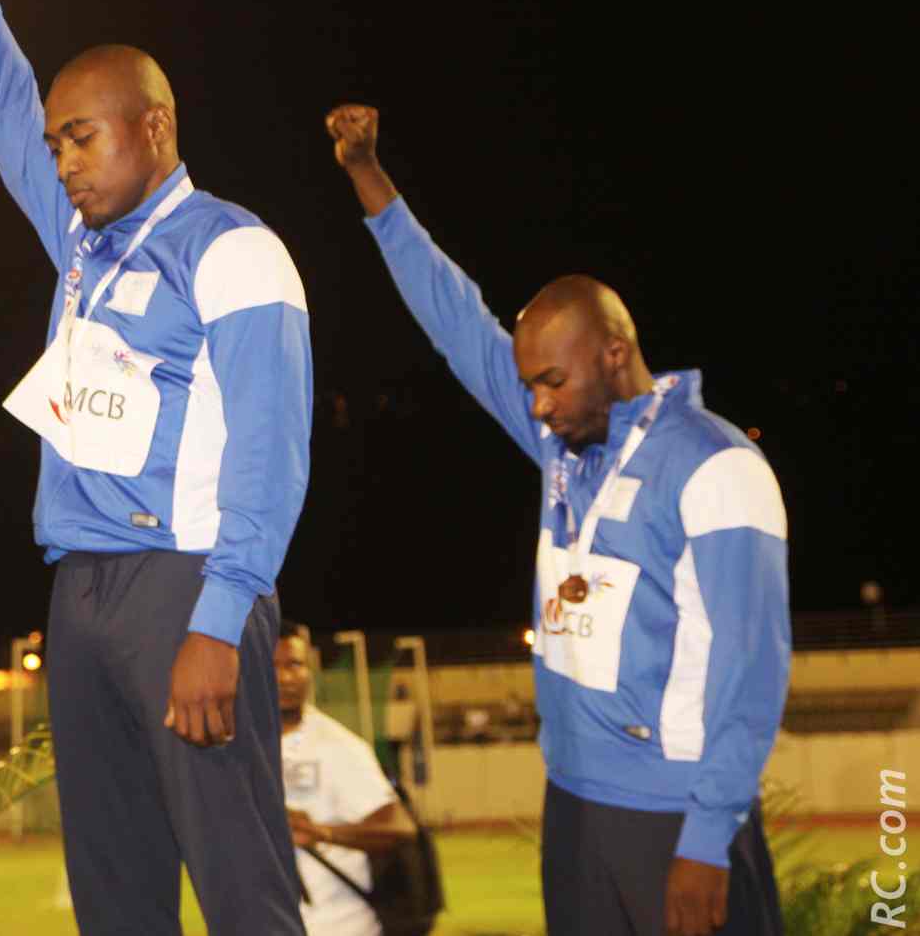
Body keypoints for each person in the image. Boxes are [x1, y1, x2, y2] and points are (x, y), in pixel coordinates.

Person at [0, 0, 314, 934]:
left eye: (81, 137)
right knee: (114, 886)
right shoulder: (82, 244)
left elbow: (269, 454)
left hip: (182, 583)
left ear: (155, 127)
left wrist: (219, 619)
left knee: (238, 881)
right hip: (78, 590)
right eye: (57, 145)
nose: (62, 161)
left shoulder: (232, 249)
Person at [326, 103, 789, 936]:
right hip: (575, 802)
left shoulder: (718, 468)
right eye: (528, 385)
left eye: (551, 382)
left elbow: (751, 670)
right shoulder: (563, 443)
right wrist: (368, 175)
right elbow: (457, 320)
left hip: (673, 810)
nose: (535, 404)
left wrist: (710, 838)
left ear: (615, 354)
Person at [275, 624, 416, 936]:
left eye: (294, 665)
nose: (285, 678)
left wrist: (319, 831)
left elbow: (399, 827)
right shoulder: (233, 745)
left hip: (338, 925)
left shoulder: (338, 745)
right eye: (272, 666)